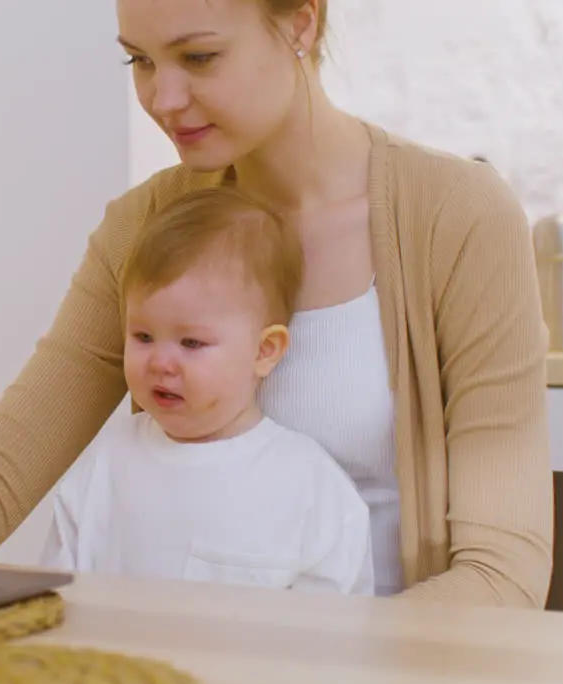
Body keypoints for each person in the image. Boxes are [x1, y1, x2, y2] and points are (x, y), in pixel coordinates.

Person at [0, 0, 553, 607]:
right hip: (183, 674)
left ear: (301, 23)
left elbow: (502, 572)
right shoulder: (145, 227)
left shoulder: (458, 217)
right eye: (141, 60)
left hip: (381, 676)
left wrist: (332, 661)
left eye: (199, 58)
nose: (163, 98)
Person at [38, 186, 375, 597]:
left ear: (264, 351)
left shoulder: (308, 486)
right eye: (143, 336)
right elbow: (55, 595)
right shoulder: (106, 460)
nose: (160, 362)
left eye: (191, 343)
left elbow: (336, 634)